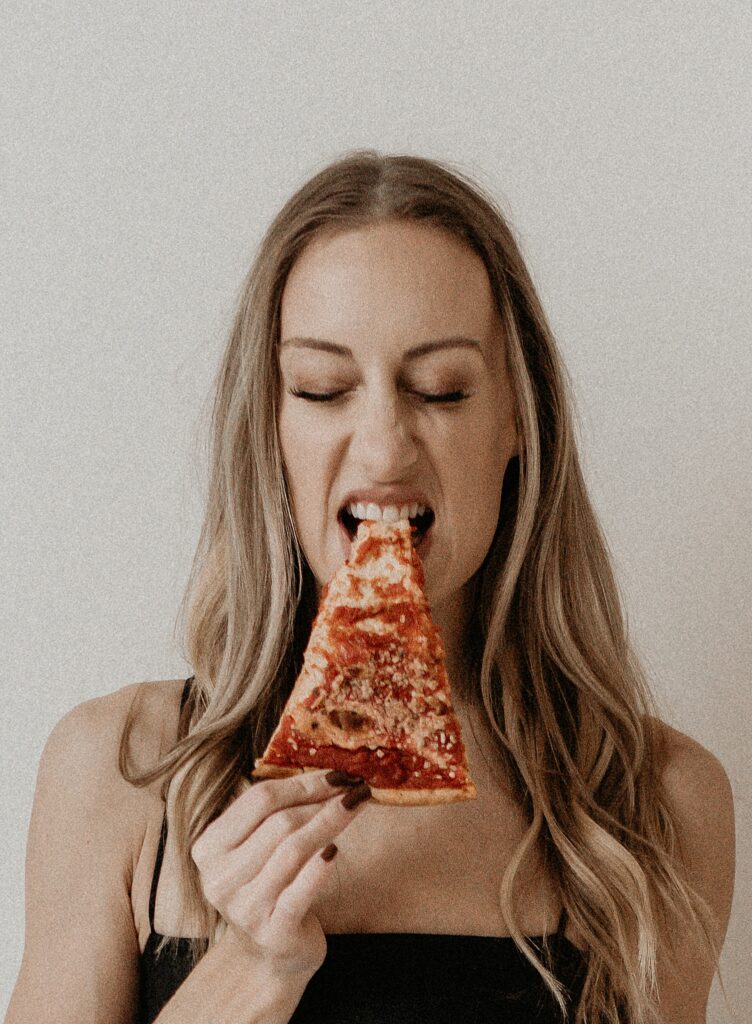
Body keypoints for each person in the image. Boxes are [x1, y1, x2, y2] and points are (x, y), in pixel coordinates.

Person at [6, 152, 735, 1024]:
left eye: (441, 389)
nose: (385, 447)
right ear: (271, 427)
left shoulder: (656, 802)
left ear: (516, 418)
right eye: (323, 388)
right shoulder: (119, 773)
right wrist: (251, 969)